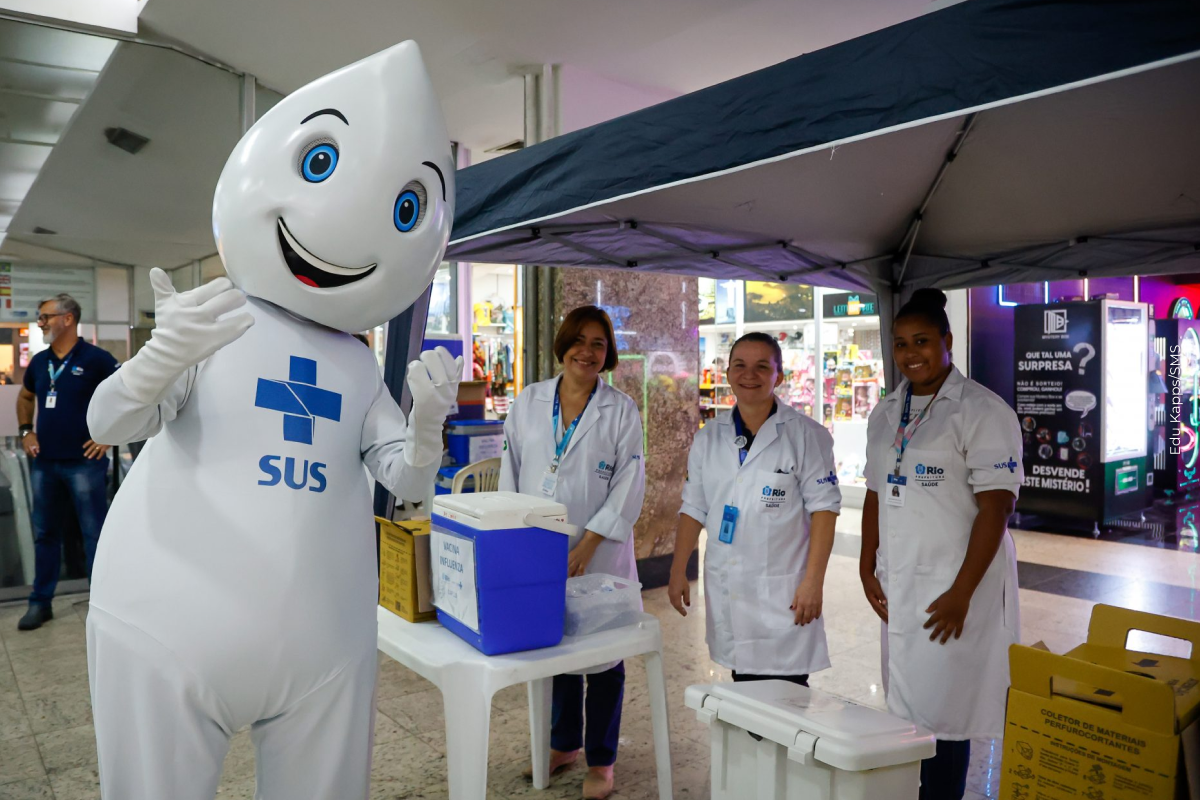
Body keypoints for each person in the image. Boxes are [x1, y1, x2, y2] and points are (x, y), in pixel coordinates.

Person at [83, 42, 460, 799]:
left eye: (405, 209)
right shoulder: (213, 319)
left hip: (324, 646)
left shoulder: (357, 367)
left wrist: (426, 426)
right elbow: (110, 419)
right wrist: (162, 356)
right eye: (318, 165)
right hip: (169, 625)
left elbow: (404, 480)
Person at [859, 288, 1022, 800]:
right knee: (909, 706)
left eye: (923, 341)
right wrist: (867, 565)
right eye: (901, 343)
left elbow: (996, 509)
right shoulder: (886, 413)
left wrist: (962, 593)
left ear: (948, 341)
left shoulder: (981, 411)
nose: (911, 354)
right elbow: (873, 492)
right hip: (902, 580)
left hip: (956, 585)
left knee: (947, 716)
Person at [500, 305, 645, 800]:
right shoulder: (528, 400)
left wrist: (588, 544)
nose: (588, 351)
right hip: (539, 548)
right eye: (579, 340)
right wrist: (513, 536)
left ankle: (602, 761)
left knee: (603, 658)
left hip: (598, 553)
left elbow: (629, 481)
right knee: (554, 647)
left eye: (599, 344)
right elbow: (511, 470)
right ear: (563, 345)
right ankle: (563, 745)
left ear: (608, 355)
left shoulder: (621, 409)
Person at [668, 332, 840, 685]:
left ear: (779, 375)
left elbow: (825, 510)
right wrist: (677, 568)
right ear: (727, 373)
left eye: (763, 366)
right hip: (731, 589)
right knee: (744, 692)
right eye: (740, 366)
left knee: (786, 702)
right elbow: (693, 507)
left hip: (783, 593)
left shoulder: (807, 435)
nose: (750, 375)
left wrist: (813, 582)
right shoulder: (708, 438)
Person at [15, 293, 118, 631]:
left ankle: (104, 606)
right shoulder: (41, 361)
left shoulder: (97, 359)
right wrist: (26, 431)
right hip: (45, 463)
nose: (40, 323)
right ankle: (40, 603)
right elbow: (26, 396)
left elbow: (126, 397)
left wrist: (108, 435)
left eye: (45, 317)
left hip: (84, 463)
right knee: (46, 534)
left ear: (68, 319)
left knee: (94, 535)